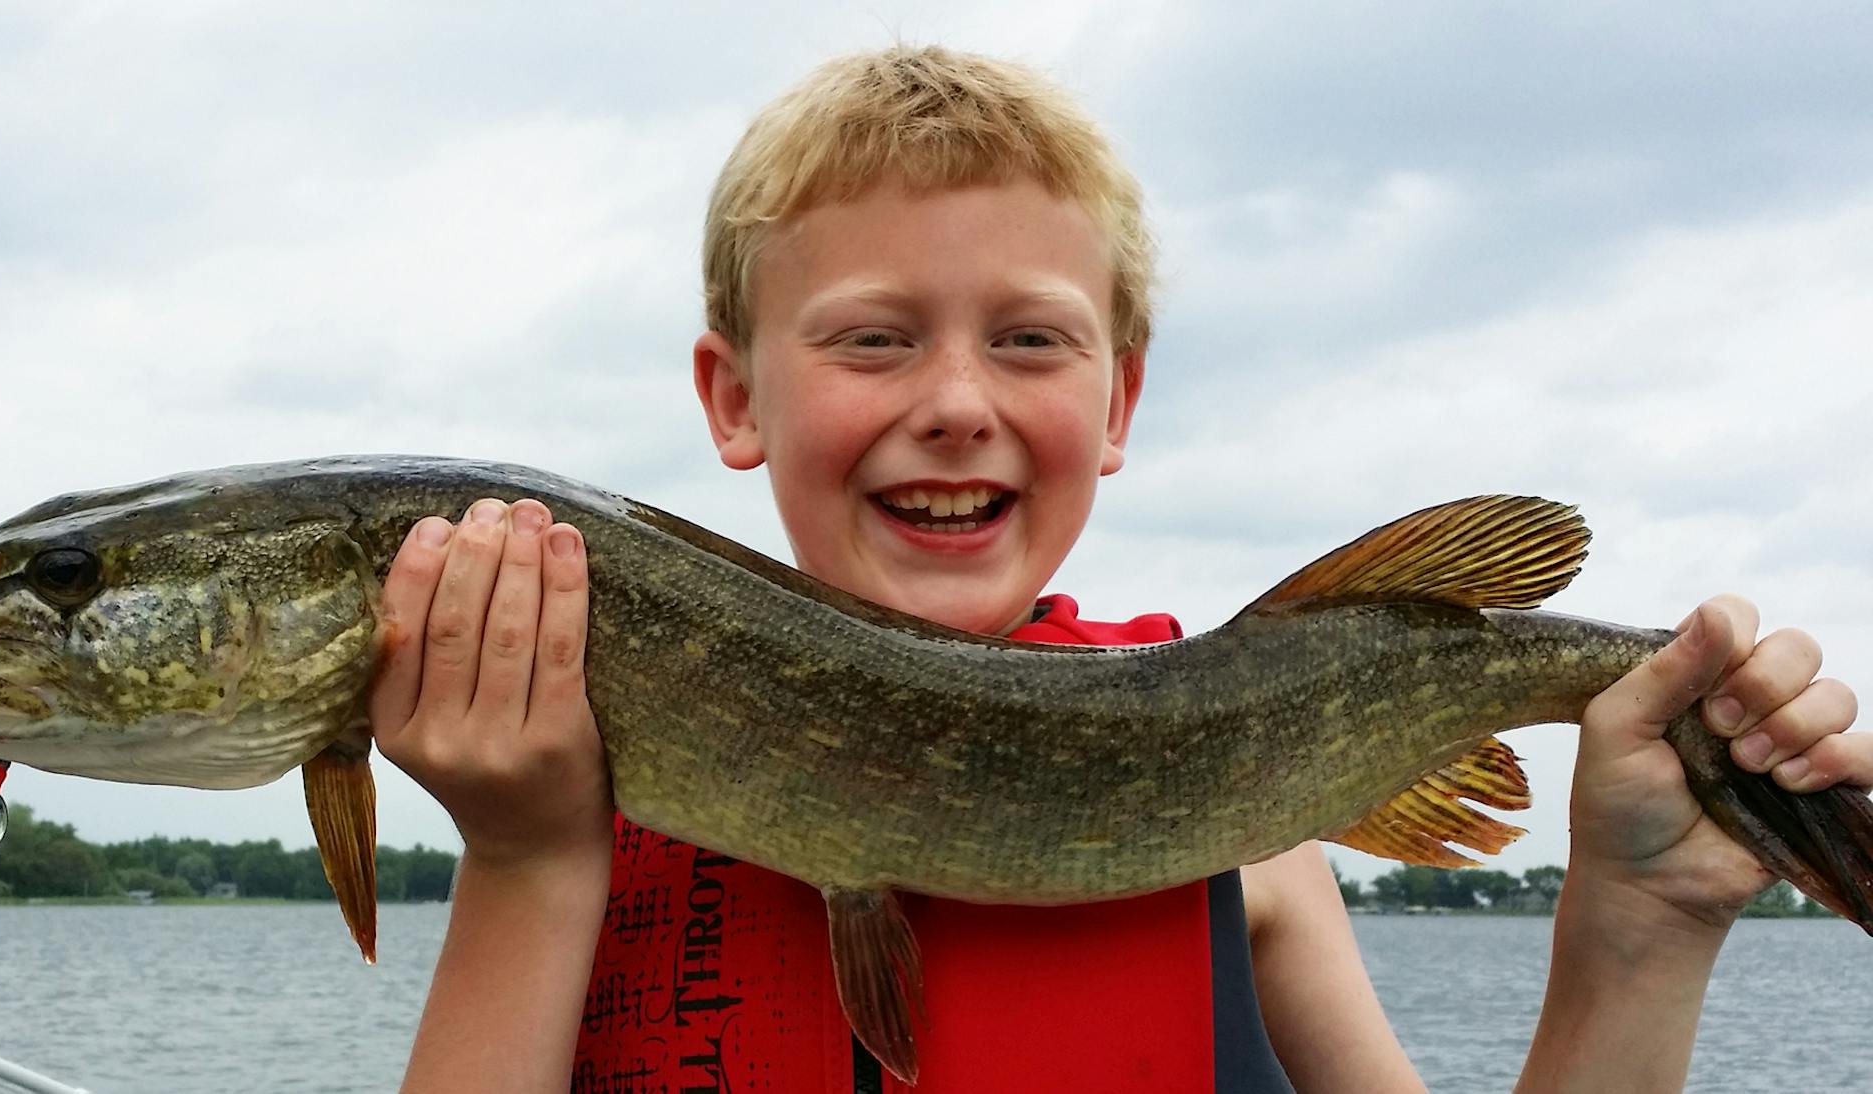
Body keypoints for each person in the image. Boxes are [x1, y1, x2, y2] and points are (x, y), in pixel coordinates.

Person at [367, 45, 1865, 1093]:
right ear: (735, 398)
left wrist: (1639, 934)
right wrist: (525, 856)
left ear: (1119, 404)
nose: (956, 399)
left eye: (1028, 338)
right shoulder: (561, 796)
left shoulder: (1255, 837)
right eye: (874, 337)